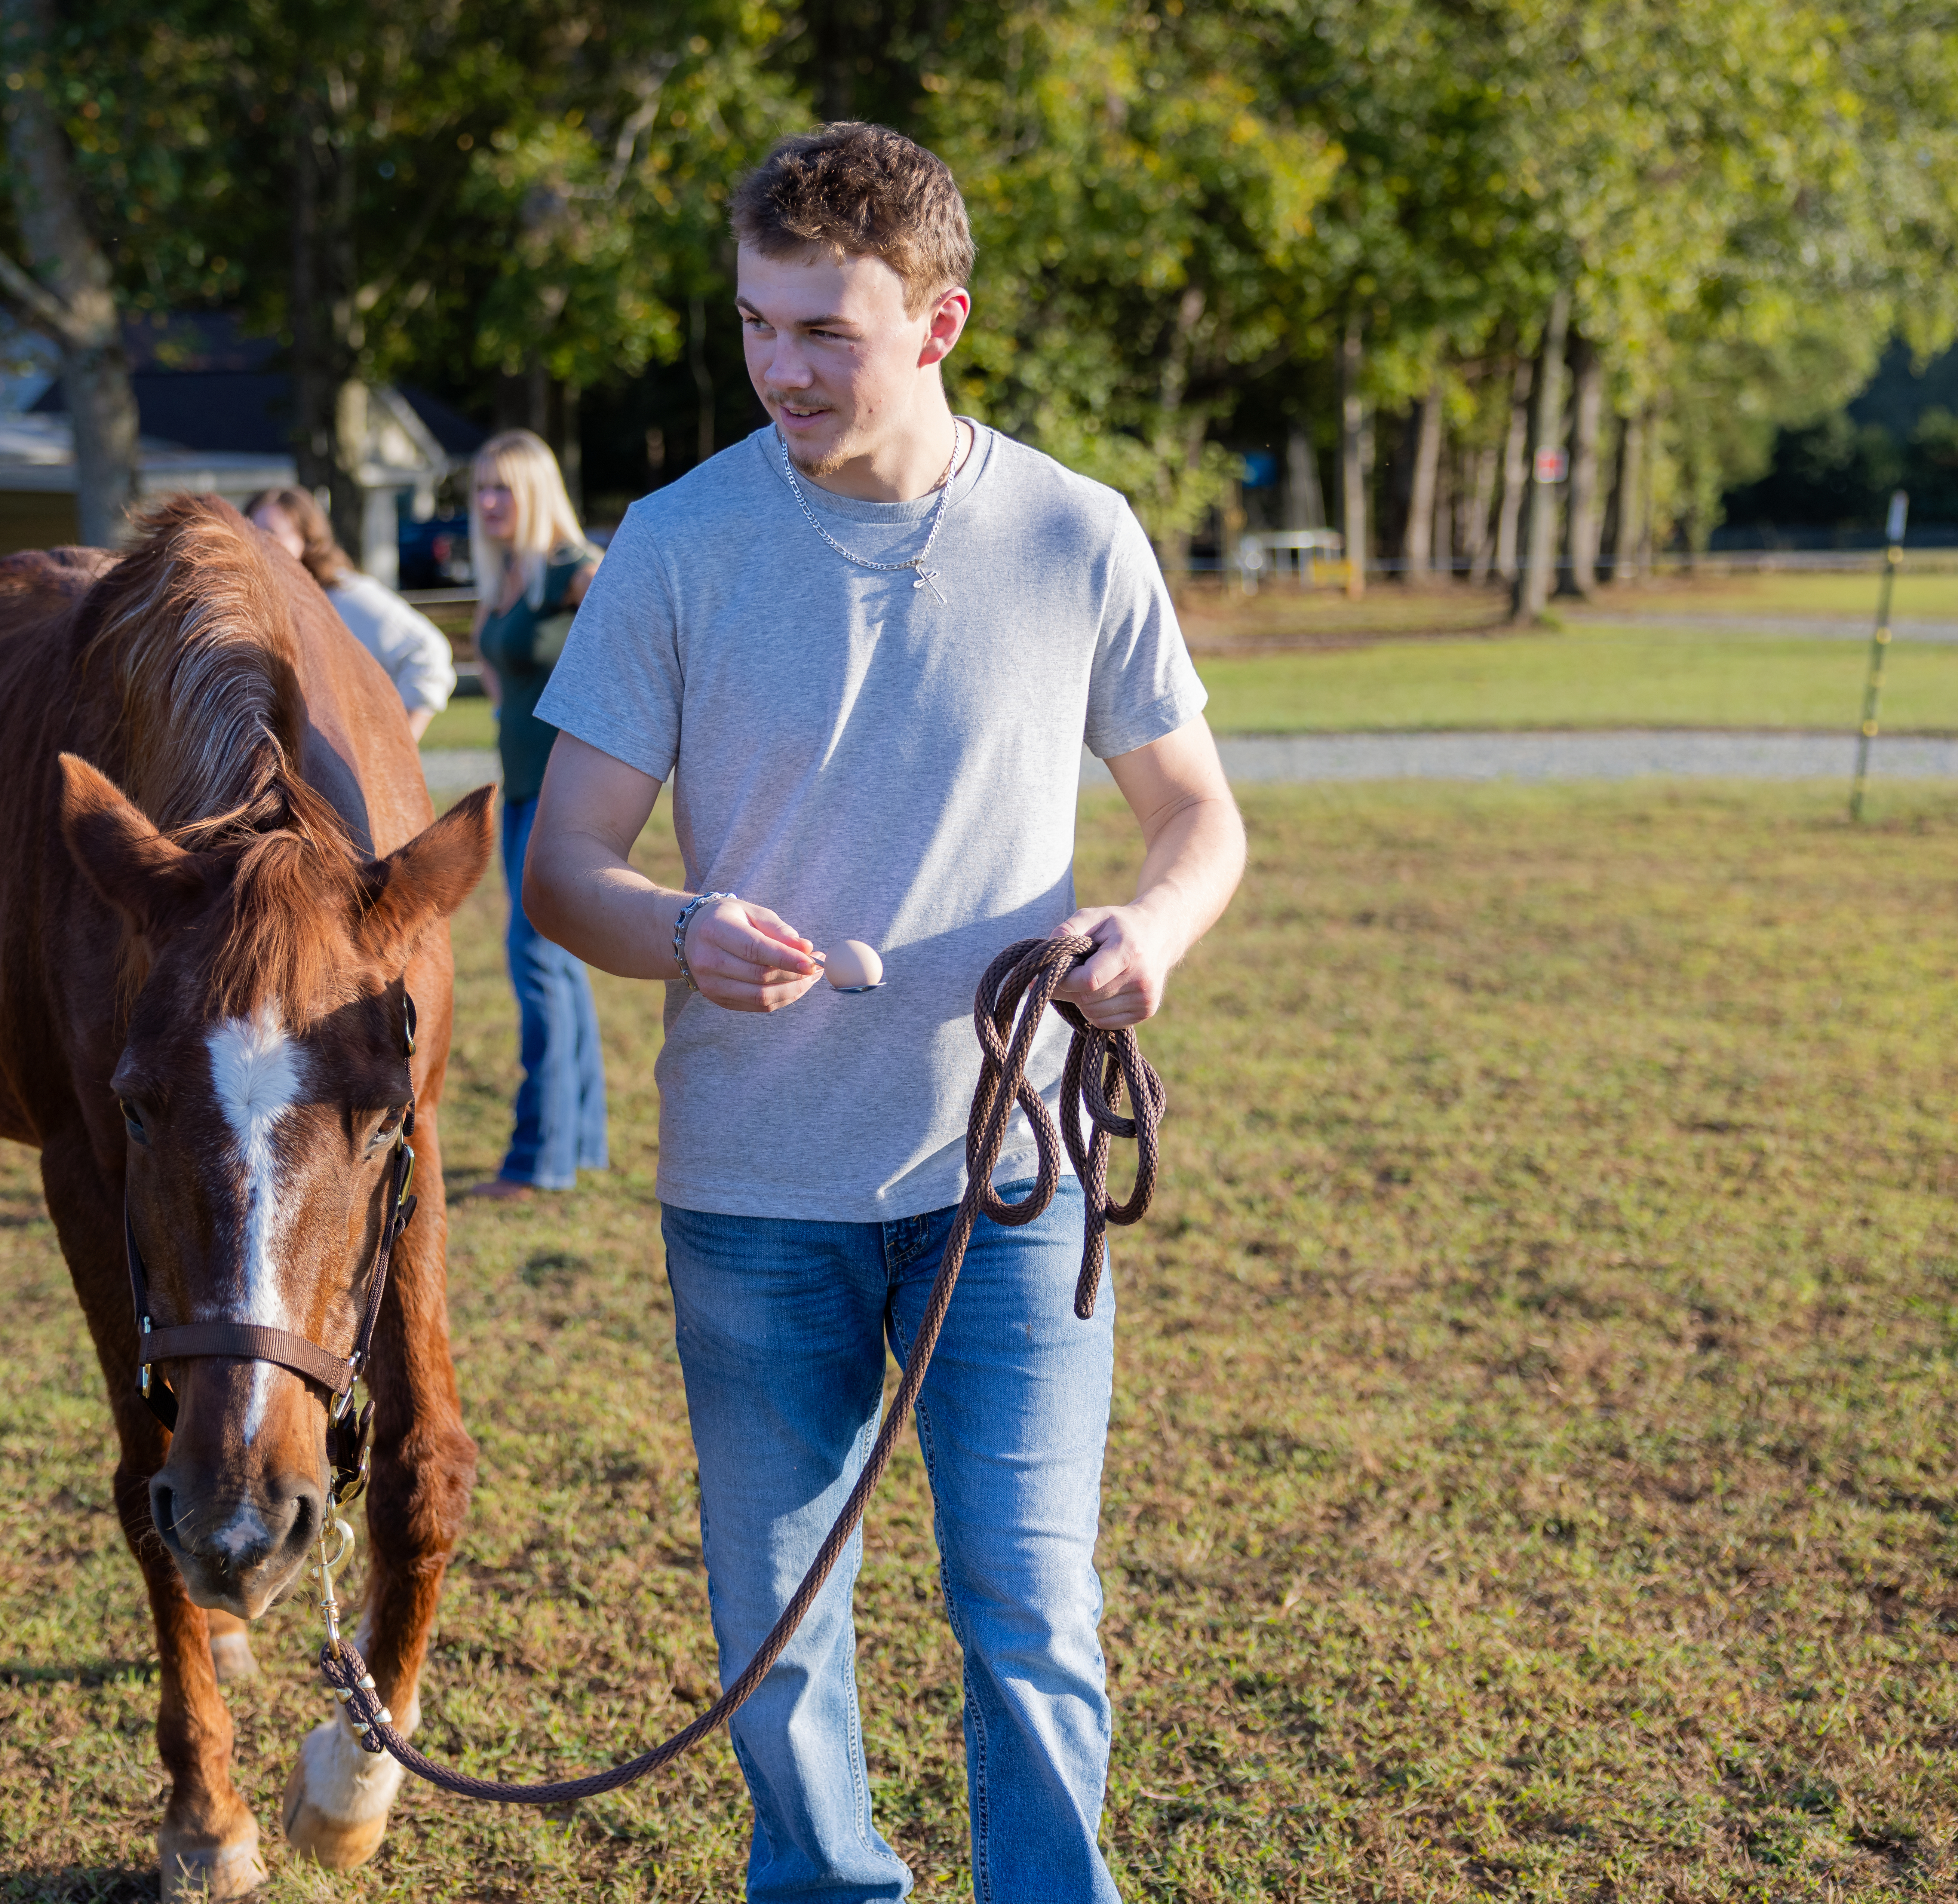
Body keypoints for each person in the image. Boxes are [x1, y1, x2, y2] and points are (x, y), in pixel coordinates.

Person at [523, 124, 1247, 1902]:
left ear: (937, 323)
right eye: (758, 325)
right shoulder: (676, 543)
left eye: (823, 333)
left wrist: (1145, 933)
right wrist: (680, 928)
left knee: (1032, 1609)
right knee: (773, 1630)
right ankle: (831, 1881)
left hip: (1009, 1176)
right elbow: (562, 868)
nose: (779, 367)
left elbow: (1199, 816)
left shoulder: (1076, 534)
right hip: (755, 1189)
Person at [467, 428, 608, 1202]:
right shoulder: (508, 575)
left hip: (564, 794)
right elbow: (498, 670)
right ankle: (579, 1142)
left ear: (537, 493)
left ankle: (539, 1158)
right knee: (557, 967)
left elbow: (646, 643)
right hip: (519, 789)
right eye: (481, 488)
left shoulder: (572, 569)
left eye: (504, 488)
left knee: (537, 962)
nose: (488, 502)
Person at [243, 485, 456, 738]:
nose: (259, 543)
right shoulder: (257, 607)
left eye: (272, 533)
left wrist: (398, 747)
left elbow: (428, 653)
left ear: (308, 541)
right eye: (250, 532)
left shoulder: (344, 596)